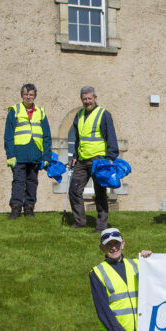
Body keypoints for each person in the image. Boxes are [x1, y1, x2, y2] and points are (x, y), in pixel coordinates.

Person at [68, 86, 118, 231]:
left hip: (98, 160)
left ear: (95, 98)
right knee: (74, 190)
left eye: (90, 98)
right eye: (84, 99)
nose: (87, 101)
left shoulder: (104, 114)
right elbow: (78, 138)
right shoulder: (79, 115)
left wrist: (110, 157)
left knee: (100, 193)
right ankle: (80, 222)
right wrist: (75, 156)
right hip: (82, 160)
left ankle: (101, 226)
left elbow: (111, 137)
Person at [4, 83, 51, 219]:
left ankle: (29, 208)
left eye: (31, 95)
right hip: (19, 154)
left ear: (35, 96)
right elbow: (8, 135)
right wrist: (10, 154)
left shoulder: (41, 112)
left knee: (32, 181)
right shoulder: (15, 110)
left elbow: (47, 136)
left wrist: (46, 156)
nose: (28, 97)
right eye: (26, 94)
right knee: (18, 181)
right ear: (22, 95)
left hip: (35, 153)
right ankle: (16, 208)